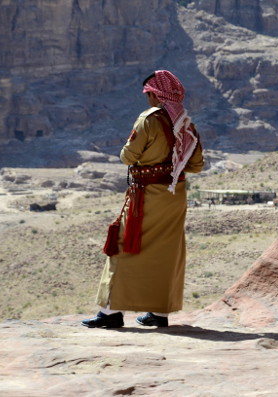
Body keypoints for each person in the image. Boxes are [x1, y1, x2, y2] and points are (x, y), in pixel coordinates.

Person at [82, 70, 204, 328]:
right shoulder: (185, 123)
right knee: (165, 252)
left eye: (149, 94)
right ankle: (158, 314)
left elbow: (128, 156)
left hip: (146, 197)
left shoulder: (148, 120)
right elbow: (196, 164)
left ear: (156, 94)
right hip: (175, 197)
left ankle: (110, 312)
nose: (147, 98)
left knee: (124, 245)